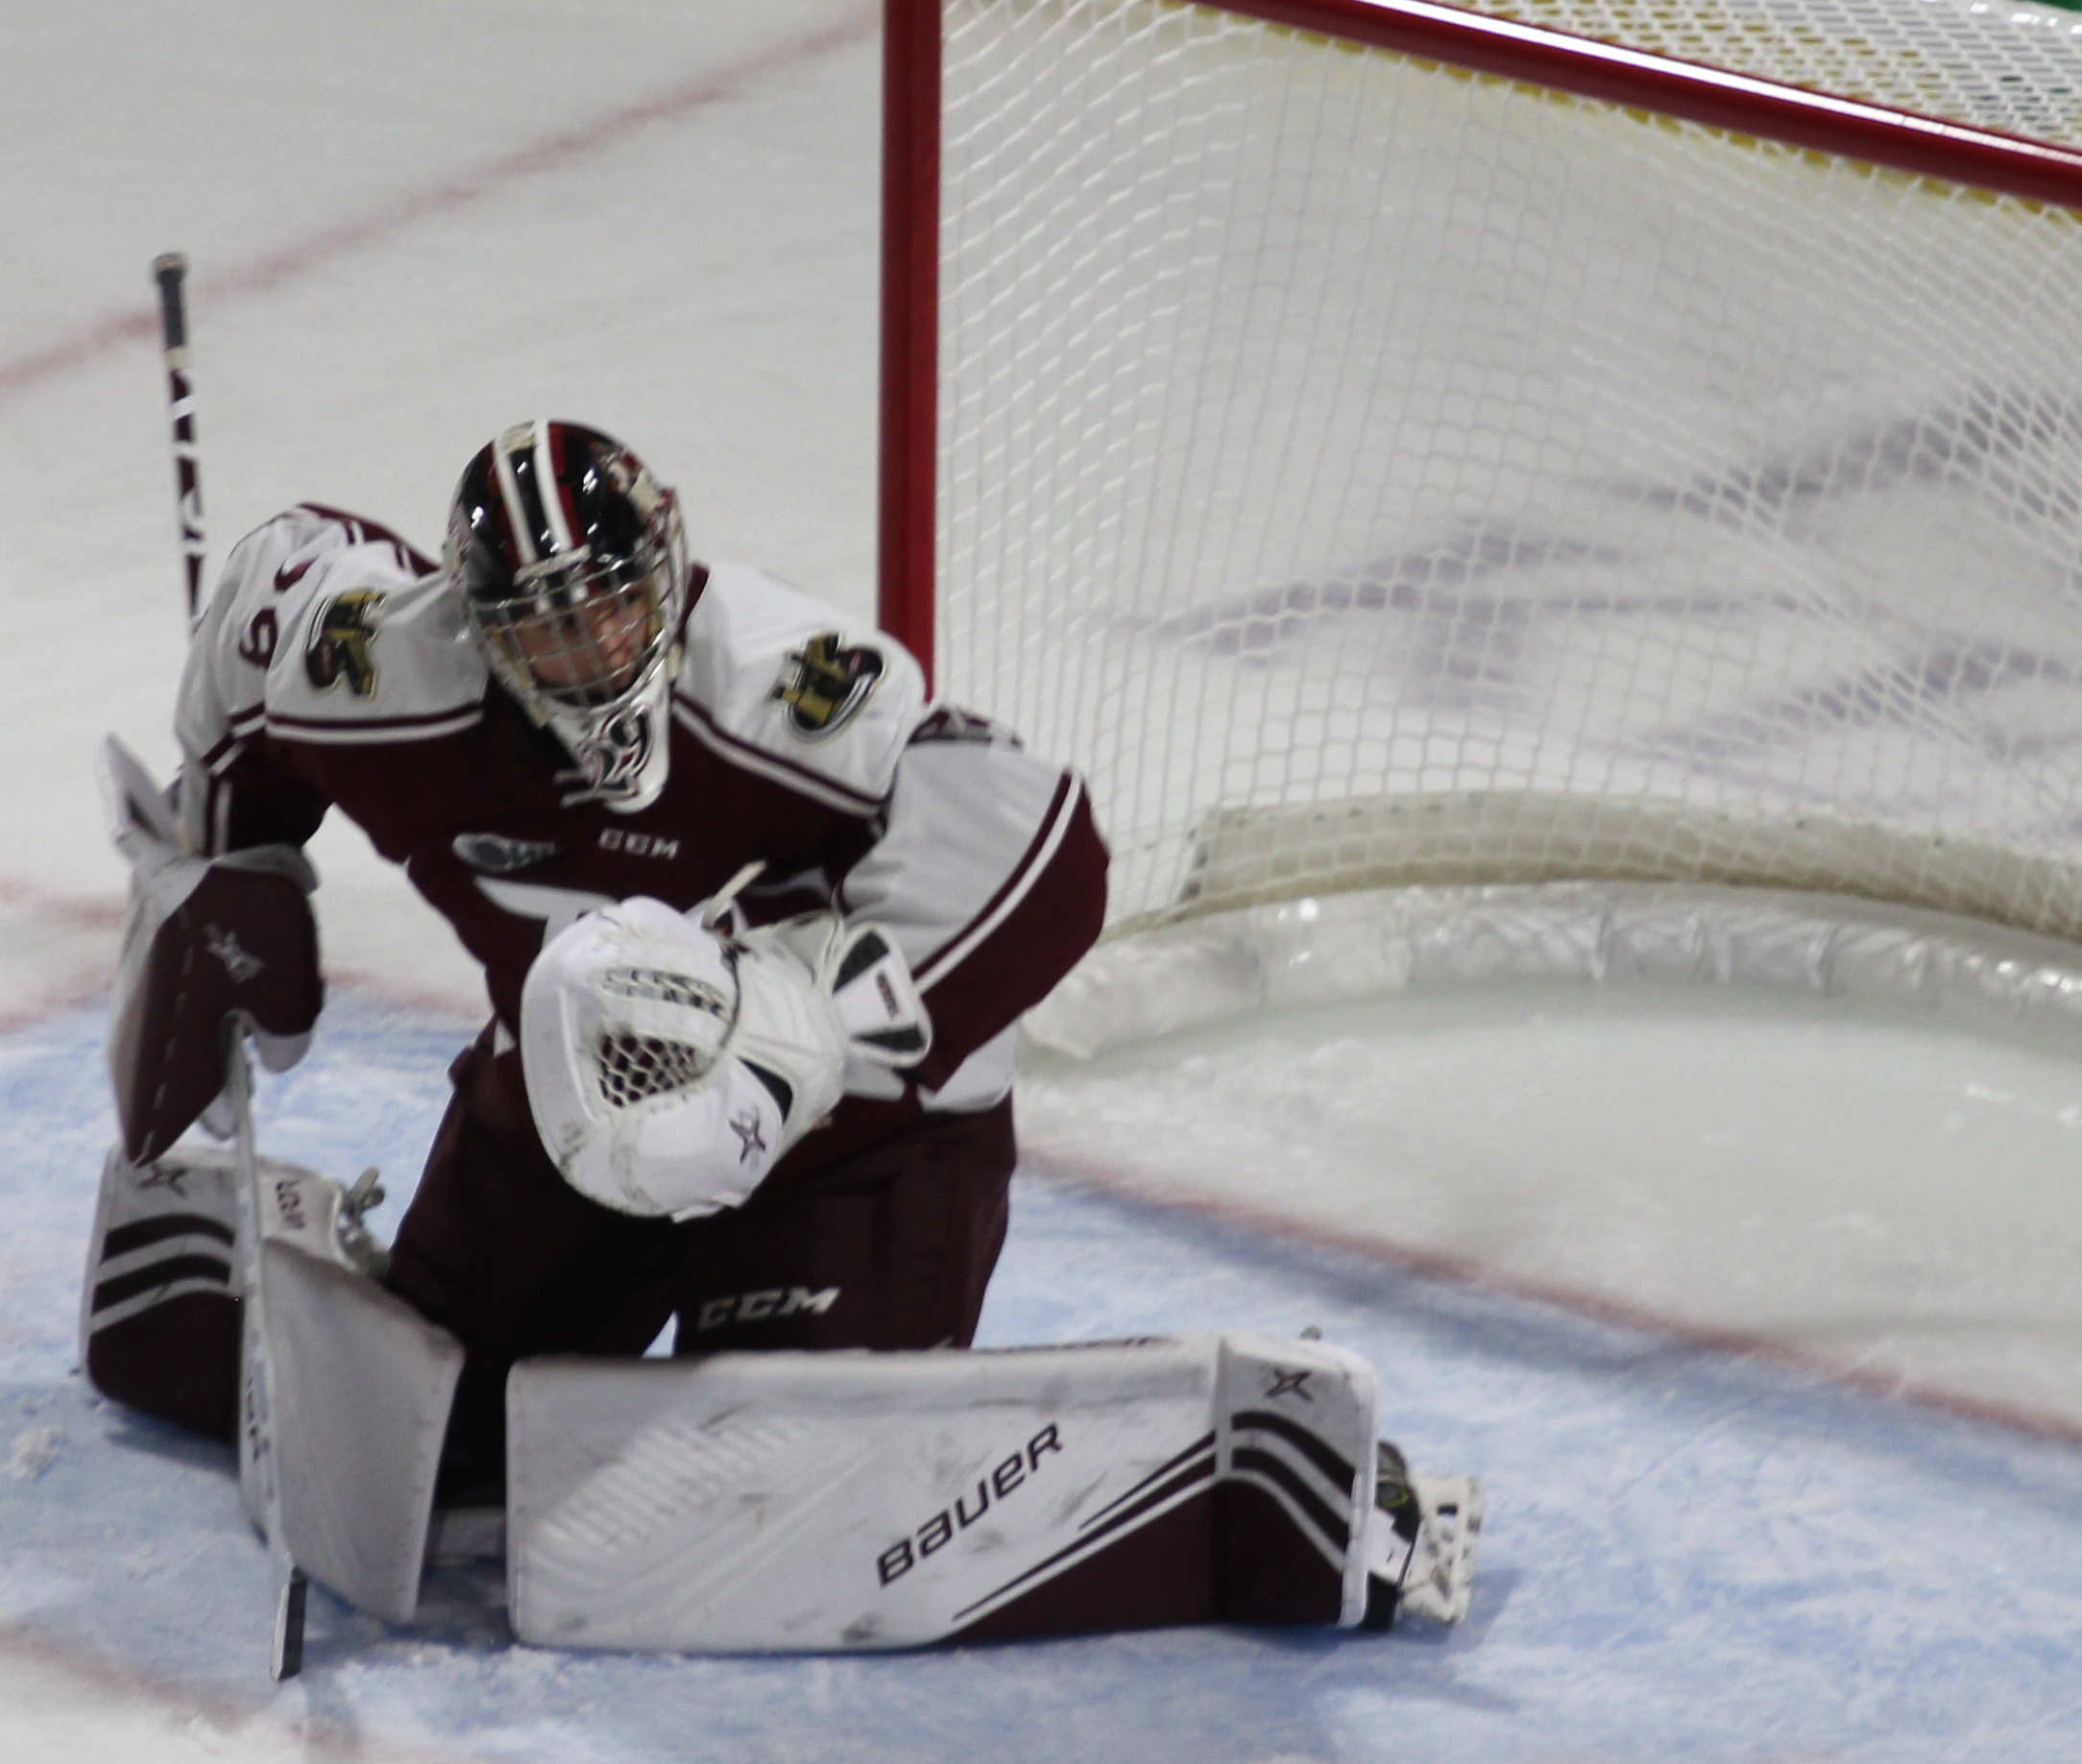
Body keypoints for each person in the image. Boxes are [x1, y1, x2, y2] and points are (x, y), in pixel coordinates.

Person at [86, 420, 1470, 1639]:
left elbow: (1044, 847)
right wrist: (223, 861)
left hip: (851, 1140)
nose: (587, 655)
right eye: (543, 628)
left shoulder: (786, 688)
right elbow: (270, 590)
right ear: (476, 621)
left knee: (766, 1495)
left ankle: (1245, 1477)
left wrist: (794, 1033)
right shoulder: (394, 675)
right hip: (568, 1108)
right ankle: (236, 1251)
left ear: (671, 567)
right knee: (434, 1445)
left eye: (614, 611)